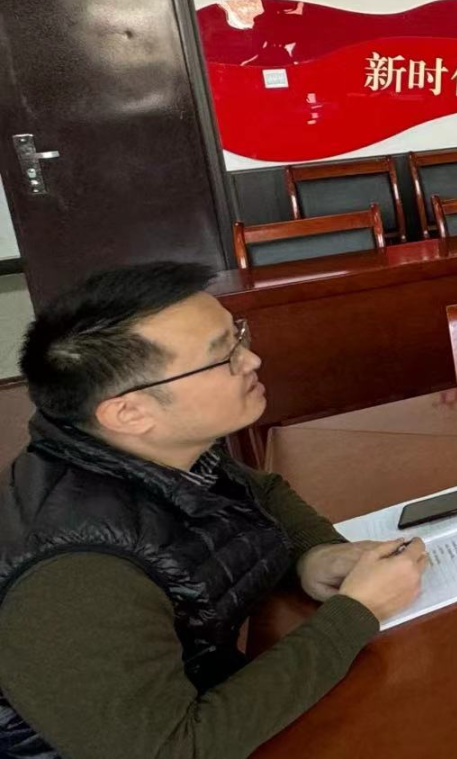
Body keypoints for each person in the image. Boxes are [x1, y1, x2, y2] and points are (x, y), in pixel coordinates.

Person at [0, 262, 428, 758]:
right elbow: (174, 750)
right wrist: (355, 614)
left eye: (238, 335)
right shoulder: (74, 581)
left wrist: (315, 554)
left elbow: (261, 492)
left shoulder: (145, 448)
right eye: (223, 355)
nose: (252, 360)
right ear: (129, 412)